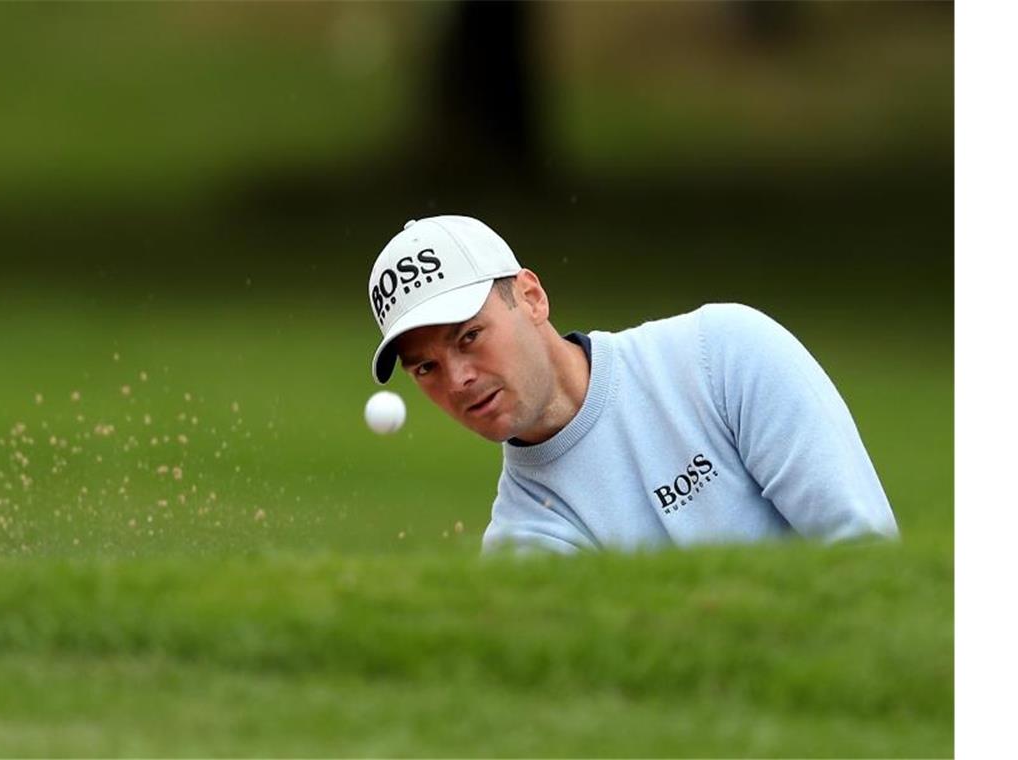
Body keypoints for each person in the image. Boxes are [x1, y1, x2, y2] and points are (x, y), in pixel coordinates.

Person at [366, 215, 899, 554]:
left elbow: (863, 556)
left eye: (469, 337)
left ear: (530, 297)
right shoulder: (524, 540)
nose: (458, 380)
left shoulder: (725, 354)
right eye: (425, 368)